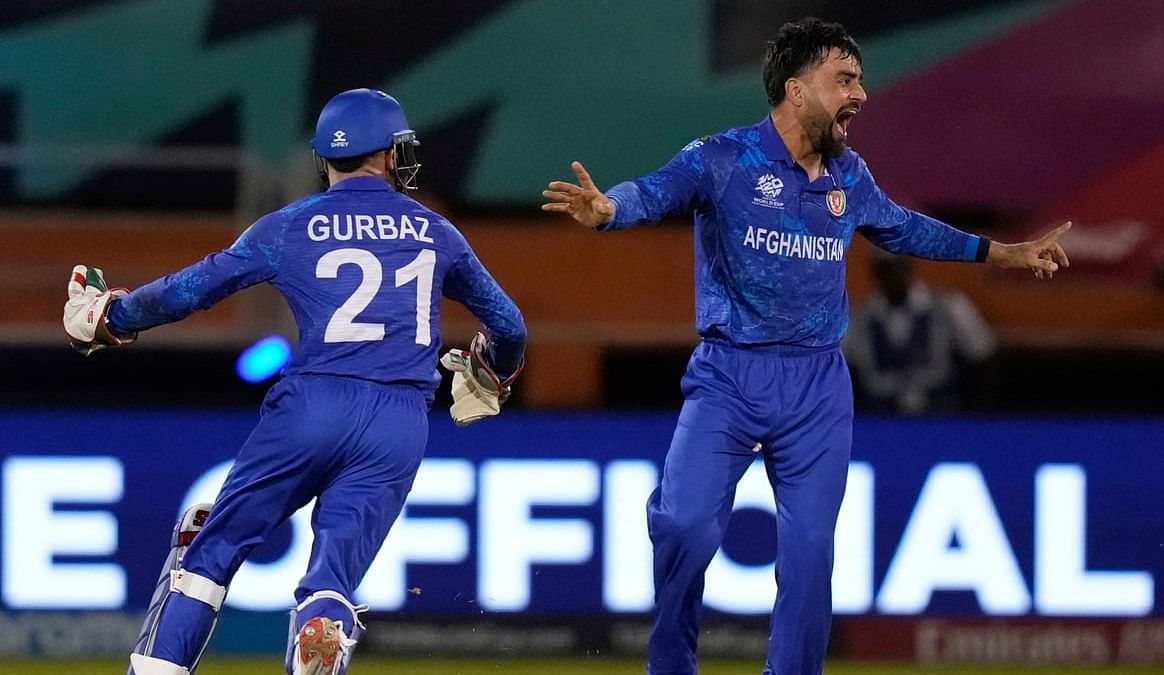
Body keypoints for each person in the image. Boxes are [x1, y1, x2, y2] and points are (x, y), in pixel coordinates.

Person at [541, 17, 1068, 675]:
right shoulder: (724, 158)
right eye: (845, 79)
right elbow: (651, 192)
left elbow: (902, 229)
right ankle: (670, 666)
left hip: (817, 384)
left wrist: (1002, 252)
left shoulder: (852, 175)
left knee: (812, 550)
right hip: (729, 376)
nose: (862, 94)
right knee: (683, 527)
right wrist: (611, 211)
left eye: (861, 79)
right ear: (796, 89)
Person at [63, 88, 526, 675]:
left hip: (312, 405)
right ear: (389, 155)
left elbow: (194, 288)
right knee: (332, 581)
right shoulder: (436, 232)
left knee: (208, 549)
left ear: (325, 157)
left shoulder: (291, 226)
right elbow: (509, 323)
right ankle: (320, 623)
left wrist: (111, 317)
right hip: (398, 421)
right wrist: (494, 370)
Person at [843, 250, 996, 415]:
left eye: (896, 267)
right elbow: (843, 369)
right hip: (881, 416)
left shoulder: (949, 306)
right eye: (885, 269)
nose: (891, 275)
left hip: (940, 413)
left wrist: (974, 414)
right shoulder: (858, 319)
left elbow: (982, 356)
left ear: (907, 266)